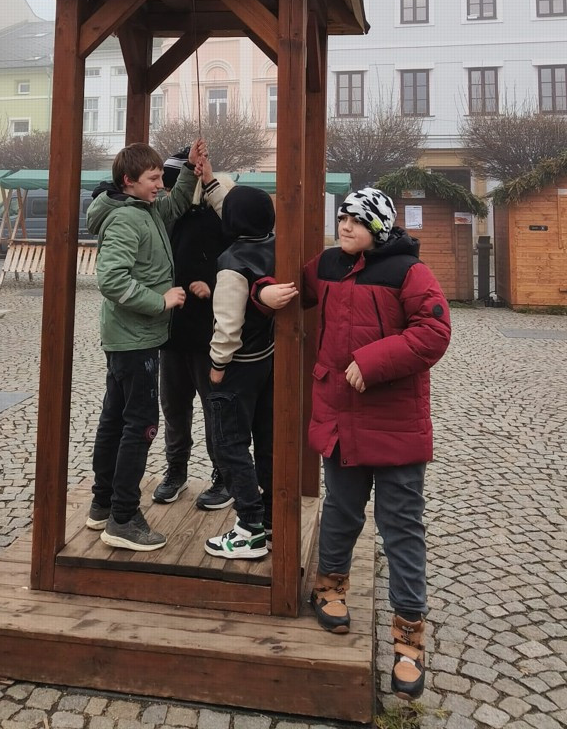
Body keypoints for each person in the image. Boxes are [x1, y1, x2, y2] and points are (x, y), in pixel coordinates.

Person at [257, 187, 450, 701]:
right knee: (341, 510)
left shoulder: (410, 272)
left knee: (401, 526)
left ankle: (409, 635)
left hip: (395, 421)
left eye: (358, 221)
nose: (345, 226)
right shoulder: (327, 265)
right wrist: (263, 292)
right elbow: (288, 283)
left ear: (379, 228)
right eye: (343, 216)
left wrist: (371, 360)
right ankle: (330, 586)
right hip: (340, 415)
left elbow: (433, 333)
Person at [85, 138, 205, 552]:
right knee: (140, 426)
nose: (160, 185)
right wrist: (161, 301)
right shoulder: (125, 220)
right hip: (134, 340)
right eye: (153, 178)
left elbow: (174, 206)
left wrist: (189, 167)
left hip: (130, 338)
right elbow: (111, 280)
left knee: (114, 419)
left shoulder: (143, 208)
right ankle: (123, 517)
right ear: (128, 181)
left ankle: (102, 504)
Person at [203, 187, 295, 561]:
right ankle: (270, 519)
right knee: (266, 439)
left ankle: (249, 529)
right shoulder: (276, 246)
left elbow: (228, 325)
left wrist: (217, 365)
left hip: (238, 366)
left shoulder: (231, 263)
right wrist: (211, 184)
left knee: (229, 444)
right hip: (266, 359)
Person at [153, 149, 233, 512]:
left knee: (215, 406)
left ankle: (225, 475)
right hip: (172, 329)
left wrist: (212, 286)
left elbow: (238, 257)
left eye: (173, 185)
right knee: (173, 406)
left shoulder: (218, 211)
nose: (168, 191)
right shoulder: (165, 214)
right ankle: (176, 470)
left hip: (210, 330)